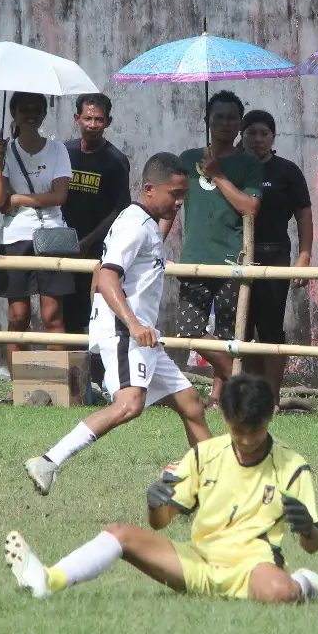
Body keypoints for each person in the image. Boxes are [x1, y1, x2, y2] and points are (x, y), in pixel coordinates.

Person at [7, 373, 318, 604]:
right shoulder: (204, 455)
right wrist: (156, 504)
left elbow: (313, 544)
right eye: (238, 431)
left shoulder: (292, 466)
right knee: (120, 534)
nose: (246, 441)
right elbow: (160, 523)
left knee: (279, 594)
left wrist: (306, 528)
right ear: (227, 421)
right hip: (197, 562)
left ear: (269, 420)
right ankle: (48, 580)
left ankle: (307, 584)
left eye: (254, 432)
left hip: (252, 567)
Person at [24, 153, 210, 496]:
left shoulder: (148, 222)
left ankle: (211, 483)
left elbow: (151, 241)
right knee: (129, 405)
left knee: (191, 405)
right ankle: (48, 461)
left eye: (184, 195)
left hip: (143, 337)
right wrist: (133, 323)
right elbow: (107, 275)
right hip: (127, 333)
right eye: (175, 195)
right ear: (150, 189)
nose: (180, 202)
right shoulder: (134, 225)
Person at [178, 91, 263, 396]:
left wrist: (218, 175)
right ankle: (241, 381)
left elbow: (250, 207)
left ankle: (219, 395)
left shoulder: (249, 163)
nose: (225, 123)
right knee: (188, 331)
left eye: (231, 117)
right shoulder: (187, 160)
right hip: (193, 260)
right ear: (207, 121)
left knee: (229, 333)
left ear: (239, 123)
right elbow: (171, 204)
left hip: (232, 260)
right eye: (218, 117)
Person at [0, 92, 72, 359]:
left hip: (52, 234)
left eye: (37, 108)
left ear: (44, 113)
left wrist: (18, 198)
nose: (31, 114)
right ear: (13, 113)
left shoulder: (57, 149)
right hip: (16, 237)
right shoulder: (7, 152)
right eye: (24, 109)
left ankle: (57, 384)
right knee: (18, 316)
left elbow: (59, 196)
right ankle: (19, 390)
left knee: (52, 317)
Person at [238, 110, 313, 395]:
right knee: (240, 330)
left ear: (273, 137)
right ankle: (247, 392)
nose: (257, 139)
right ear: (241, 135)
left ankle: (272, 396)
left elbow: (304, 215)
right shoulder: (231, 169)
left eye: (263, 134)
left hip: (274, 256)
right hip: (237, 257)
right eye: (251, 133)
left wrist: (304, 257)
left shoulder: (286, 171)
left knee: (270, 330)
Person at [62, 93, 132, 340]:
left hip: (98, 251)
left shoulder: (116, 161)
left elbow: (119, 210)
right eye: (88, 118)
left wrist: (88, 242)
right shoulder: (63, 153)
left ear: (108, 122)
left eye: (99, 120)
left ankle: (99, 375)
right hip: (62, 249)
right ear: (76, 118)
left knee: (97, 315)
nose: (92, 125)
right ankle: (73, 373)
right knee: (63, 316)